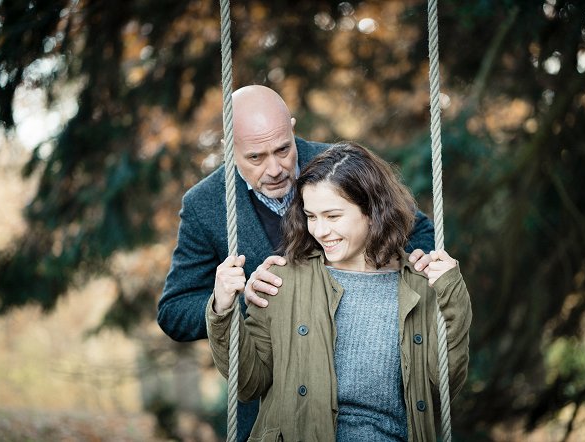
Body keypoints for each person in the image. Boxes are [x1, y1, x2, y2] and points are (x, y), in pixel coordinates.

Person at [157, 85, 436, 441]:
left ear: (291, 127)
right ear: (228, 147)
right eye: (256, 157)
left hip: (372, 406)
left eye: (283, 150)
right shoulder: (204, 205)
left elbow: (419, 231)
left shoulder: (339, 165)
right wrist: (237, 297)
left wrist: (399, 277)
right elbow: (173, 312)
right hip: (272, 405)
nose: (275, 169)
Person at [208, 142, 472, 441]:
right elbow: (248, 384)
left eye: (332, 216)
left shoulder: (421, 285)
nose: (319, 230)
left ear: (373, 211)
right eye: (311, 216)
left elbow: (445, 385)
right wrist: (222, 308)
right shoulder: (282, 280)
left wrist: (452, 294)